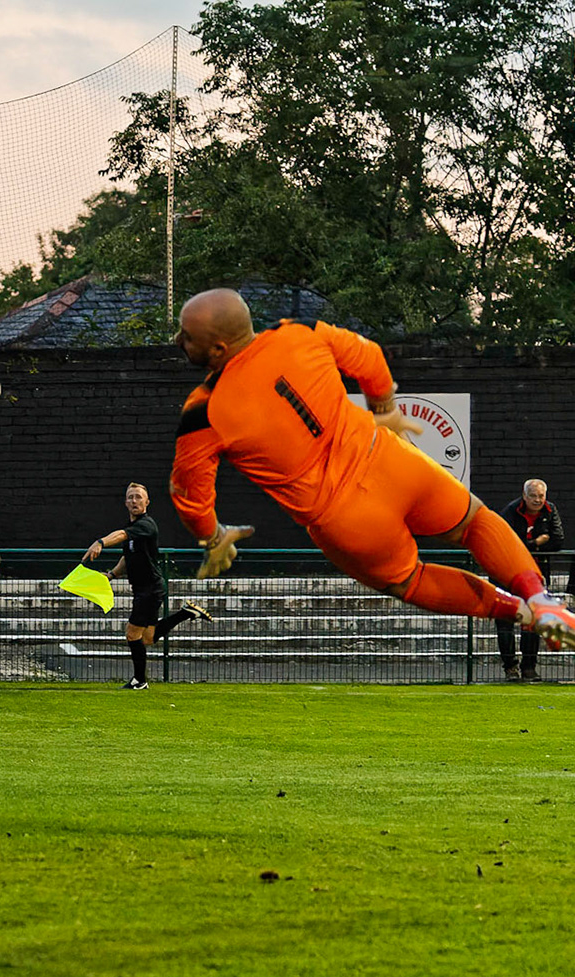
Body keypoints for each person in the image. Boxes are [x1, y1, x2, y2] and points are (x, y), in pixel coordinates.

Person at [169, 288, 575, 647]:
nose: (178, 340)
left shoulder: (203, 411)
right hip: (392, 462)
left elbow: (191, 497)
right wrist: (384, 409)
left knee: (410, 581)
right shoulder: (299, 331)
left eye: (186, 335)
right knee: (475, 521)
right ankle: (542, 599)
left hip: (346, 520)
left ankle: (525, 616)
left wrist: (212, 536)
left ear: (219, 349)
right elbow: (370, 356)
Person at [82, 482, 213, 690]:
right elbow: (127, 557)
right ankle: (186, 613)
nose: (134, 501)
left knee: (132, 634)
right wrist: (111, 575)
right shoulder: (133, 530)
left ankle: (139, 681)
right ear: (125, 502)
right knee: (148, 638)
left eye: (138, 497)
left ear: (147, 502)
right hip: (143, 589)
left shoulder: (146, 525)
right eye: (130, 497)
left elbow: (121, 535)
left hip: (150, 589)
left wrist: (100, 542)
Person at [493, 479, 563, 681]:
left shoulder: (550, 510)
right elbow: (507, 542)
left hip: (535, 576)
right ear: (524, 496)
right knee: (505, 623)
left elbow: (558, 540)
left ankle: (529, 668)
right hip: (507, 574)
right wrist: (537, 542)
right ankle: (510, 668)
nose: (538, 500)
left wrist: (531, 546)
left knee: (532, 622)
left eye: (541, 496)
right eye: (533, 496)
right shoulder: (510, 511)